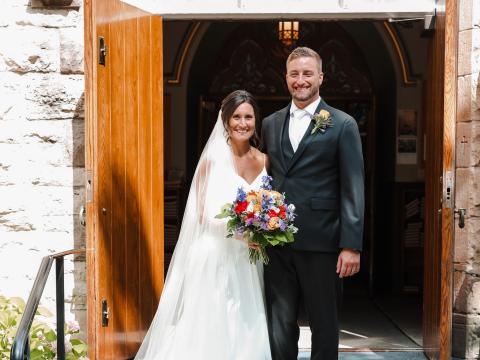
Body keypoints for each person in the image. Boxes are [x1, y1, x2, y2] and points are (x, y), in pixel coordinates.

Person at [135, 90, 271, 360]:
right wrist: (241, 232)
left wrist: (264, 228)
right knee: (210, 322)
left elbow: (267, 205)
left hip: (248, 258)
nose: (242, 123)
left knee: (244, 320)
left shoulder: (264, 160)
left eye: (248, 116)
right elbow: (201, 215)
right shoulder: (211, 161)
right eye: (236, 117)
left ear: (256, 120)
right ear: (225, 121)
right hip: (214, 254)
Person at [261, 47, 365, 360]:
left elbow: (353, 187)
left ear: (320, 77)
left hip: (323, 242)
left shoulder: (342, 124)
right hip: (276, 241)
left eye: (307, 73)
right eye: (295, 74)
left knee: (324, 322)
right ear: (286, 78)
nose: (301, 80)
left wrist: (352, 245)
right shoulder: (269, 123)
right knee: (279, 323)